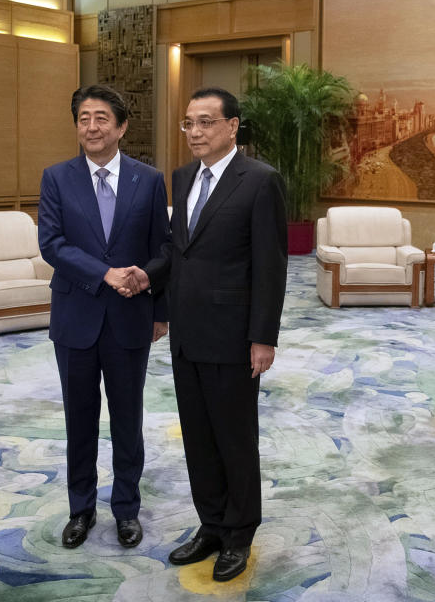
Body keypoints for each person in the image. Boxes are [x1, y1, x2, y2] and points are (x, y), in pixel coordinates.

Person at [121, 87, 287, 581]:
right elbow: (179, 251)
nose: (195, 132)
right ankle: (211, 524)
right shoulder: (184, 177)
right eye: (188, 124)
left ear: (232, 126)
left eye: (206, 122)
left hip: (234, 336)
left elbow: (270, 267)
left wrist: (263, 338)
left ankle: (239, 534)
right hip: (188, 334)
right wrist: (149, 277)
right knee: (198, 437)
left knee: (235, 438)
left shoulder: (260, 181)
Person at [38, 84, 170, 550]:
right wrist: (105, 273)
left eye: (100, 118)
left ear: (121, 127)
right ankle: (81, 509)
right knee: (80, 418)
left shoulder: (148, 180)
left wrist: (161, 309)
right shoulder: (56, 178)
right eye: (83, 118)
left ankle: (127, 510)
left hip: (132, 318)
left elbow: (163, 249)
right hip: (75, 317)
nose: (91, 127)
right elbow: (51, 244)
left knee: (127, 418)